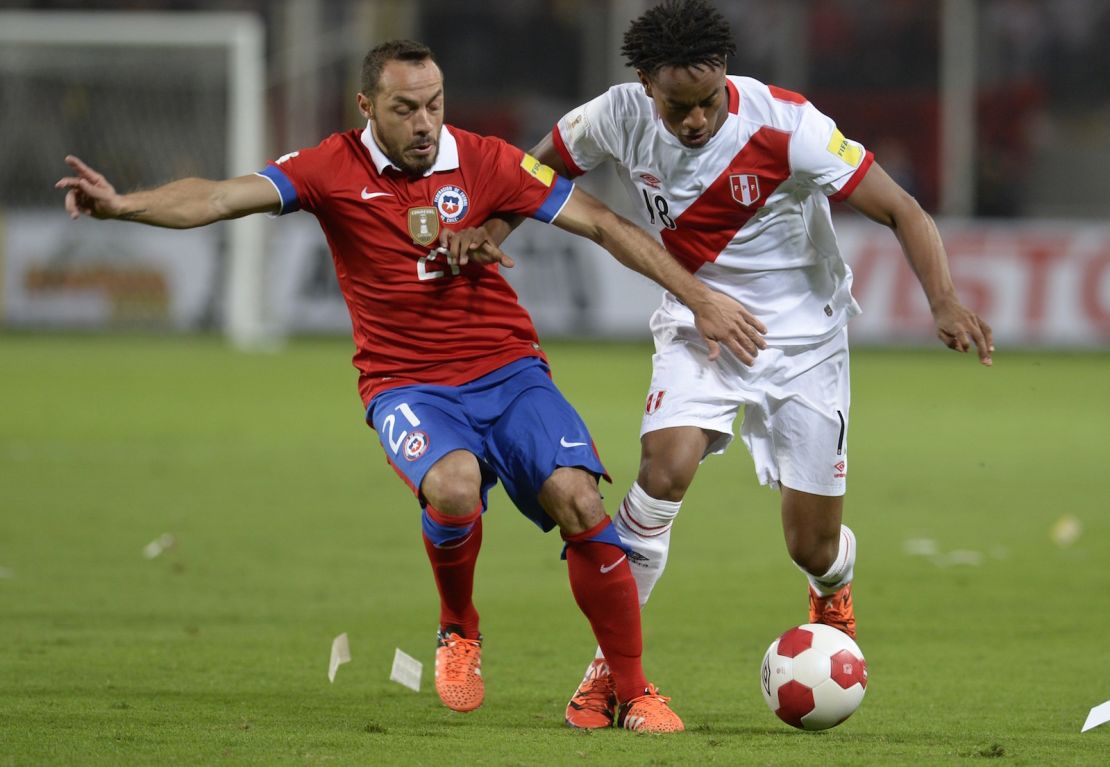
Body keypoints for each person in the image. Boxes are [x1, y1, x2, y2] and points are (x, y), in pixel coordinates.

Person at [55, 39, 770, 733]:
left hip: (508, 370)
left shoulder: (486, 160)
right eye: (405, 108)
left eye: (434, 104)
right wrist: (123, 206)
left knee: (581, 499)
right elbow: (215, 196)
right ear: (368, 105)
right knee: (455, 485)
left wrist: (699, 297)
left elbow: (605, 225)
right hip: (405, 384)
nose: (424, 122)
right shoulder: (328, 167)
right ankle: (459, 627)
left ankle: (635, 690)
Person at [469, 0, 994, 729]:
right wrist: (492, 226)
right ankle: (612, 672)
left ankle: (833, 583)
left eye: (708, 100)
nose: (694, 121)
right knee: (663, 470)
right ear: (645, 84)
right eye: (676, 106)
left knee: (808, 542)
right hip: (697, 324)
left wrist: (943, 300)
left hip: (804, 341)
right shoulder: (615, 115)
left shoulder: (788, 124)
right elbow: (534, 170)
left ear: (726, 76)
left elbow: (902, 208)